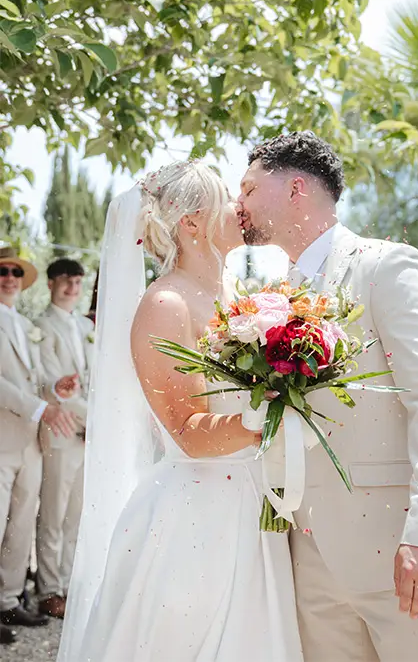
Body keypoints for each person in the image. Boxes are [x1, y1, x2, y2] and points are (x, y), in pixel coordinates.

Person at [237, 131, 418, 661]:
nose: (239, 204)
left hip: (398, 545)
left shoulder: (388, 267)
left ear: (295, 187)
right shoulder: (275, 297)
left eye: (250, 189)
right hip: (308, 554)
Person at [57, 161, 303, 661]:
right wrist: (265, 415)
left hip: (249, 500)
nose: (241, 205)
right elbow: (188, 431)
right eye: (227, 197)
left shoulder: (236, 297)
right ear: (191, 222)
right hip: (197, 516)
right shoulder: (166, 304)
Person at [0, 245, 80, 646]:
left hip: (29, 442)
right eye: (3, 271)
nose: (10, 278)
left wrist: (55, 389)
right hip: (3, 438)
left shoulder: (20, 322)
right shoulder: (19, 322)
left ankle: (9, 601)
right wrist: (41, 407)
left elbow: (34, 380)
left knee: (20, 526)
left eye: (15, 272)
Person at [34, 258, 93, 619]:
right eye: (65, 280)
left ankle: (70, 584)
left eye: (77, 280)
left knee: (77, 515)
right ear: (51, 284)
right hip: (62, 429)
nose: (72, 287)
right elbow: (56, 388)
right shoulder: (40, 326)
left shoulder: (86, 325)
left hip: (86, 433)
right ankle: (48, 589)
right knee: (53, 515)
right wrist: (98, 419)